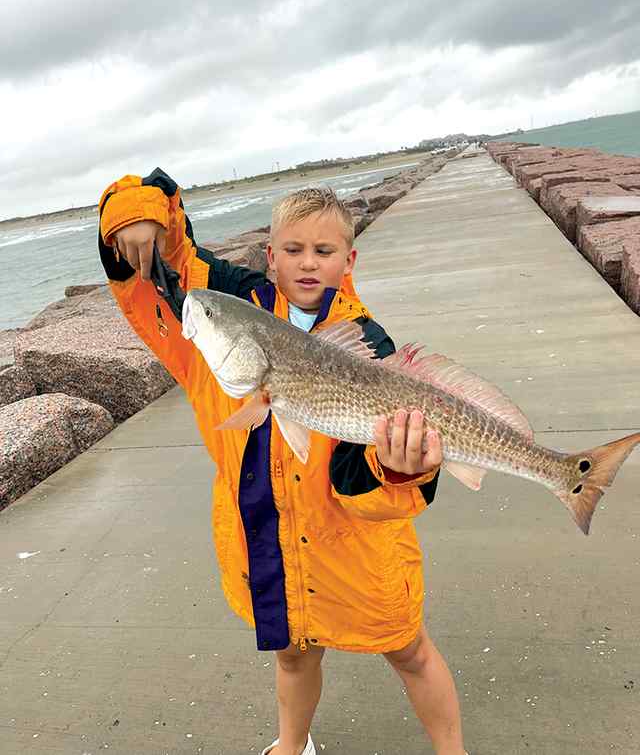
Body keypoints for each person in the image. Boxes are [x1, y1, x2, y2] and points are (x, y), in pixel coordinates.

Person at [98, 169, 467, 755]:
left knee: (409, 650)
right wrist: (133, 217)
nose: (307, 263)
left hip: (356, 549)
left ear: (349, 259)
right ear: (271, 256)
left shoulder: (368, 342)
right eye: (293, 249)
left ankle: (454, 751)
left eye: (324, 251)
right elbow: (168, 264)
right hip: (267, 537)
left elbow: (360, 479)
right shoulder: (227, 310)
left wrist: (399, 470)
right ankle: (292, 746)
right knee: (292, 656)